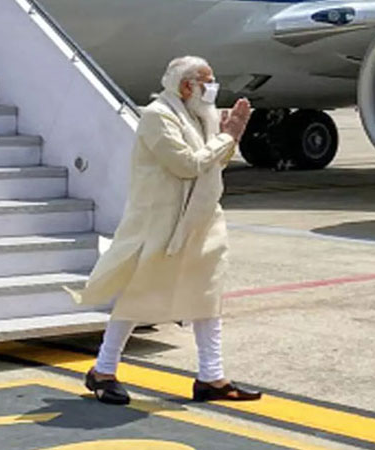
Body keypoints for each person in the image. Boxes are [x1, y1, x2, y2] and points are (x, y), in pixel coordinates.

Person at [67, 56, 262, 405]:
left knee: (207, 293)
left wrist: (230, 137)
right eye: (206, 81)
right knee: (139, 294)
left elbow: (213, 161)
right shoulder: (158, 116)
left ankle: (211, 377)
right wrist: (225, 137)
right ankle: (103, 370)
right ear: (186, 86)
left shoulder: (201, 115)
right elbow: (187, 165)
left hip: (202, 218)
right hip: (160, 221)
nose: (211, 87)